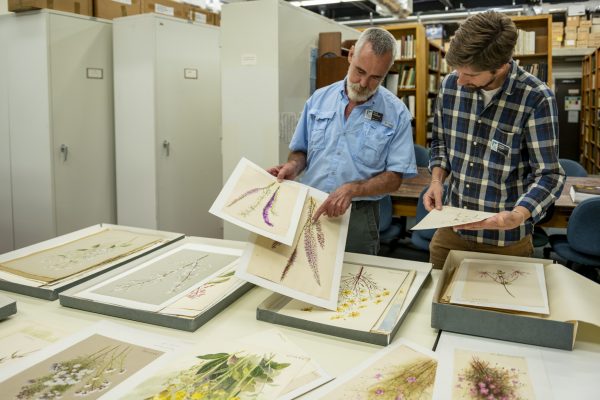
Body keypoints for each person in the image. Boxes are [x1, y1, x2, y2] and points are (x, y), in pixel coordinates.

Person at [424, 11, 566, 268]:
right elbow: (441, 144)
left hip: (506, 242)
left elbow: (549, 175)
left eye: (470, 75)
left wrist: (518, 215)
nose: (459, 80)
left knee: (499, 309)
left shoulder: (535, 98)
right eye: (456, 70)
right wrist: (437, 180)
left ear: (500, 66)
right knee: (436, 305)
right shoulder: (450, 87)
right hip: (450, 231)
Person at [268, 27, 417, 255]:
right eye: (360, 71)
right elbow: (301, 152)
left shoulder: (396, 113)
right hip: (310, 206)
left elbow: (394, 178)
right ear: (350, 55)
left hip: (358, 215)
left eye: (375, 77)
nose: (364, 83)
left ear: (386, 73)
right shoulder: (319, 99)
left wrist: (353, 189)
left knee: (353, 284)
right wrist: (292, 167)